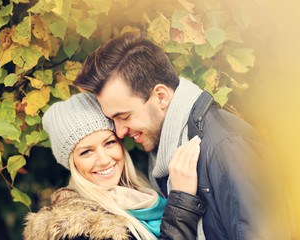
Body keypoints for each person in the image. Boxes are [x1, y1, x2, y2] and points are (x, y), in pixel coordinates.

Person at [73, 32, 292, 239]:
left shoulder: (228, 146)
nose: (119, 132)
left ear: (160, 96)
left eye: (125, 116)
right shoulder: (170, 152)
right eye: (114, 120)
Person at [23, 93, 207, 240]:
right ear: (72, 164)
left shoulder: (146, 195)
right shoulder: (78, 230)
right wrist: (182, 201)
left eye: (109, 143)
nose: (103, 160)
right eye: (86, 152)